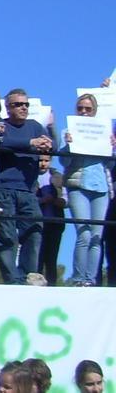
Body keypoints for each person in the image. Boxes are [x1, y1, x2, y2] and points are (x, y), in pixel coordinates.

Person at [0, 89, 54, 285]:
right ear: (8, 108)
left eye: (26, 104)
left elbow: (53, 148)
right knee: (7, 237)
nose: (23, 108)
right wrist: (30, 143)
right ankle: (13, 280)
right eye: (18, 104)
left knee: (34, 233)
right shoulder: (0, 126)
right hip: (4, 189)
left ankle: (29, 276)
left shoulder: (35, 126)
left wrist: (50, 137)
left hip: (29, 190)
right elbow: (0, 143)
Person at [62, 93, 113, 286]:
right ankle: (78, 278)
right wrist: (68, 144)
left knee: (97, 236)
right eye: (80, 108)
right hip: (78, 185)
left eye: (88, 109)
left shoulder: (104, 131)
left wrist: (113, 148)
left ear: (95, 111)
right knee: (83, 233)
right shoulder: (68, 130)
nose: (83, 112)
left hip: (101, 188)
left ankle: (90, 280)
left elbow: (110, 165)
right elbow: (64, 161)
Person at [35, 154, 67, 285]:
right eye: (40, 160)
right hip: (38, 222)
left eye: (46, 161)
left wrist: (56, 201)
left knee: (51, 258)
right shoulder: (31, 176)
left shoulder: (58, 177)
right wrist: (42, 200)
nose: (43, 163)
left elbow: (65, 199)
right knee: (38, 257)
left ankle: (52, 286)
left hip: (55, 223)